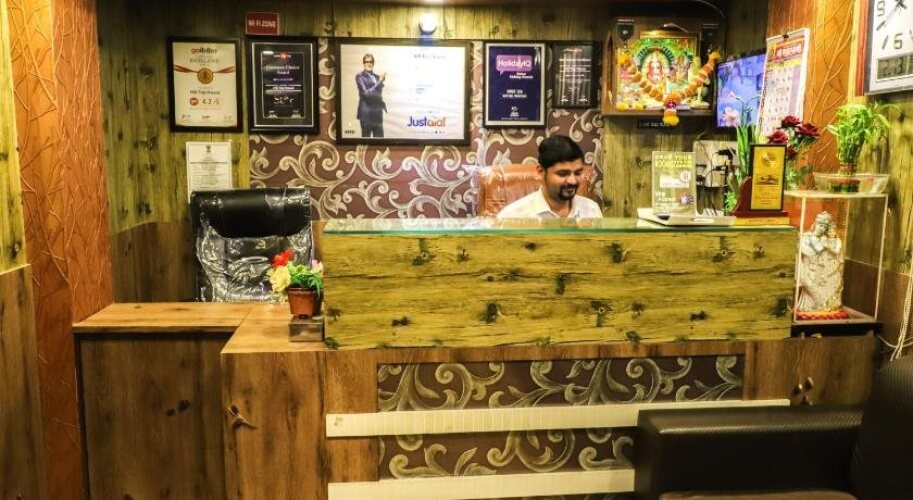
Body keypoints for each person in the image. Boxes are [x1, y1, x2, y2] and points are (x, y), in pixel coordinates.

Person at [497, 135, 602, 219]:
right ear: (541, 171)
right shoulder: (512, 216)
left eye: (578, 173)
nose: (572, 181)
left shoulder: (592, 210)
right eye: (563, 174)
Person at [796, 211, 844, 313]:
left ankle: (822, 307)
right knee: (812, 289)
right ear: (815, 224)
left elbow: (831, 255)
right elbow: (804, 250)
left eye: (824, 227)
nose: (821, 228)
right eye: (820, 225)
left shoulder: (825, 239)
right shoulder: (806, 237)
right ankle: (817, 306)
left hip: (821, 273)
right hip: (808, 271)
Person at [355, 53, 386, 138]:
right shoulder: (359, 77)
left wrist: (382, 104)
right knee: (366, 141)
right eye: (366, 62)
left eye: (371, 62)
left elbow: (378, 94)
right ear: (363, 63)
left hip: (377, 114)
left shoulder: (377, 77)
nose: (369, 64)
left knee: (380, 140)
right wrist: (379, 82)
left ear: (373, 63)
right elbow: (365, 94)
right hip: (366, 114)